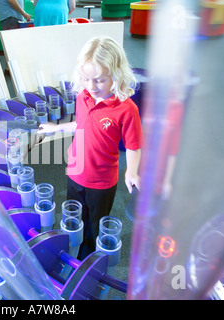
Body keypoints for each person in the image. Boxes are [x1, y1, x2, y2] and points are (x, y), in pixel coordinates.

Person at [38, 36, 143, 259]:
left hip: (101, 181)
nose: (91, 86)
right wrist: (55, 128)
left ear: (116, 75)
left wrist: (132, 170)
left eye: (100, 80)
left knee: (94, 228)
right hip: (75, 171)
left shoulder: (126, 109)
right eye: (86, 79)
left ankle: (89, 264)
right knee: (75, 219)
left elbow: (134, 146)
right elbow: (81, 124)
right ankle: (74, 254)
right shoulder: (82, 96)